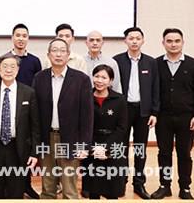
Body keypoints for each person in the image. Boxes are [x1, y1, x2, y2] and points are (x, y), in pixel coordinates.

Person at [32, 38, 93, 199]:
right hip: (46, 138)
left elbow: (87, 116)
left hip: (70, 138)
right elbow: (35, 114)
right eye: (54, 50)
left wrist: (84, 145)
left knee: (69, 187)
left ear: (68, 55)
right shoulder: (39, 78)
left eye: (62, 51)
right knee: (48, 185)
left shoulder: (81, 80)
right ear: (48, 55)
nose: (58, 54)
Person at [0, 53, 39, 199]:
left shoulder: (28, 93)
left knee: (16, 191)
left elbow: (35, 126)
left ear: (17, 70)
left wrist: (34, 153)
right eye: (5, 66)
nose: (8, 70)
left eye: (12, 66)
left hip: (19, 148)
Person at [151, 28, 194, 200]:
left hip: (187, 118)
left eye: (177, 41)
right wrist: (154, 113)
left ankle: (185, 188)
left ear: (183, 42)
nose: (173, 44)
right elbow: (153, 91)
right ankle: (165, 186)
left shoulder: (193, 64)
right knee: (164, 152)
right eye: (169, 41)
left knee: (184, 153)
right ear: (163, 43)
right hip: (163, 117)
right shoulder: (156, 64)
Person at [113, 26, 159, 199]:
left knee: (140, 147)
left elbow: (156, 88)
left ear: (142, 40)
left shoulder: (150, 62)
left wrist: (154, 112)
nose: (134, 41)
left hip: (143, 111)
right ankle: (121, 180)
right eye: (130, 38)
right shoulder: (116, 61)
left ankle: (139, 183)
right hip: (122, 111)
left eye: (137, 38)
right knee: (121, 147)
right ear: (125, 40)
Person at [82, 64, 127, 199]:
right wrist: (91, 148)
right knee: (93, 190)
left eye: (104, 77)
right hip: (92, 146)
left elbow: (122, 128)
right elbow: (82, 125)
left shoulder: (119, 100)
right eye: (96, 76)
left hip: (113, 147)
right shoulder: (85, 97)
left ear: (111, 80)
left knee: (112, 191)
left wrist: (106, 149)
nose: (99, 81)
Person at [7, 23, 41, 198]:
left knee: (25, 149)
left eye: (24, 35)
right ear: (12, 37)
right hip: (8, 110)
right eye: (18, 35)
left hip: (28, 110)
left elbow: (38, 86)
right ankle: (11, 186)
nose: (21, 38)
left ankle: (26, 185)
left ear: (28, 38)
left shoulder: (34, 61)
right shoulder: (5, 59)